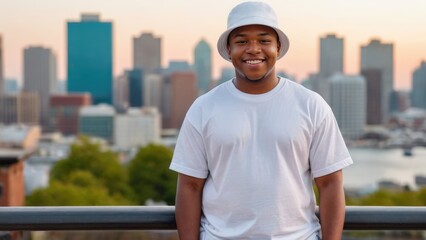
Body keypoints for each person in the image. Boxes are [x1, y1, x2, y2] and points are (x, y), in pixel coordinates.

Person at [169, 1, 353, 239]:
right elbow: (189, 186)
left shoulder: (311, 104)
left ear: (278, 47)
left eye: (264, 41)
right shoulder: (204, 107)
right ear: (228, 49)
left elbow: (330, 184)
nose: (253, 49)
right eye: (242, 41)